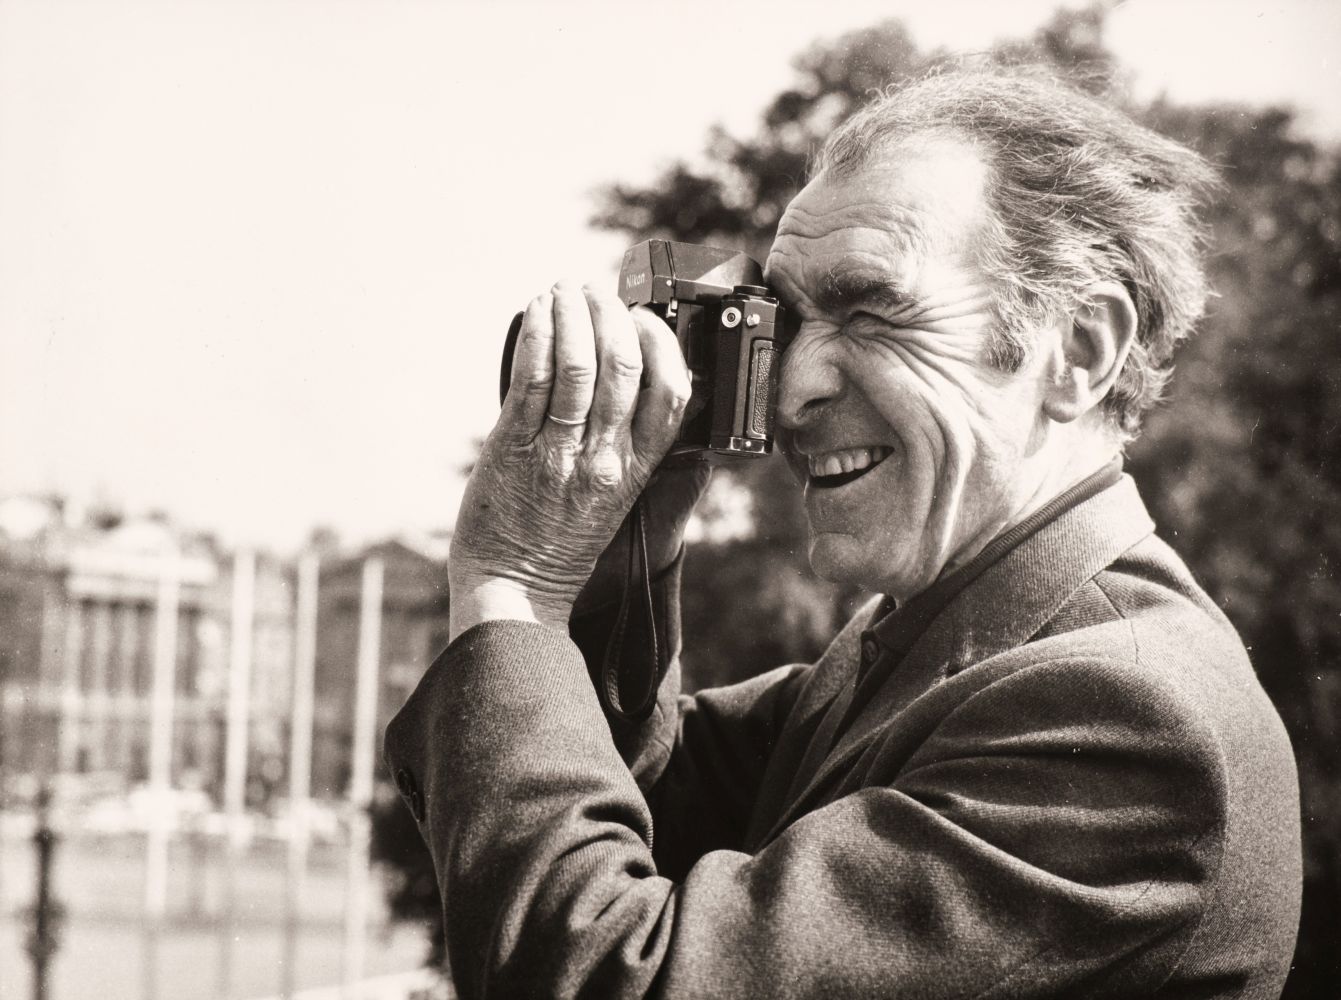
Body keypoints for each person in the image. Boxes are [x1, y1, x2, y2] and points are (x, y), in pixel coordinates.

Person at [385, 67, 1301, 999]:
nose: (790, 391)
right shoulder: (932, 643)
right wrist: (620, 547)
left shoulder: (1127, 716)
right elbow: (626, 798)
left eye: (871, 311)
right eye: (784, 321)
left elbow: (608, 975)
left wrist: (514, 582)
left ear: (1078, 350)